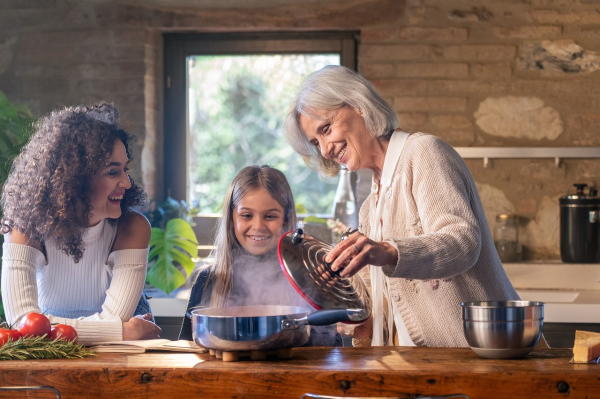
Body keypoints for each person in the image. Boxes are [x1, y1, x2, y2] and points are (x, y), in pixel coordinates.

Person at [284, 65, 521, 348]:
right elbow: (376, 306)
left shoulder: (423, 153)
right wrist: (333, 285)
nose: (324, 150)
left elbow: (463, 242)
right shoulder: (370, 207)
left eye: (326, 129)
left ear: (359, 105)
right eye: (315, 142)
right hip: (415, 367)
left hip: (479, 356)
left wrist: (388, 251)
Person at [1, 103, 161, 345]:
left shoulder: (133, 228)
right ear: (74, 179)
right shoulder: (25, 228)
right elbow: (21, 323)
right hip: (55, 356)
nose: (127, 183)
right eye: (112, 172)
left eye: (125, 170)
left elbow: (114, 318)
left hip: (119, 357)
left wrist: (49, 329)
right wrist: (121, 332)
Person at [179, 165, 342, 347]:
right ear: (232, 220)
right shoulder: (207, 280)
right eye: (247, 215)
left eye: (270, 216)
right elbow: (186, 350)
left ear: (286, 219)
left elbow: (331, 348)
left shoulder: (309, 281)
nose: (258, 226)